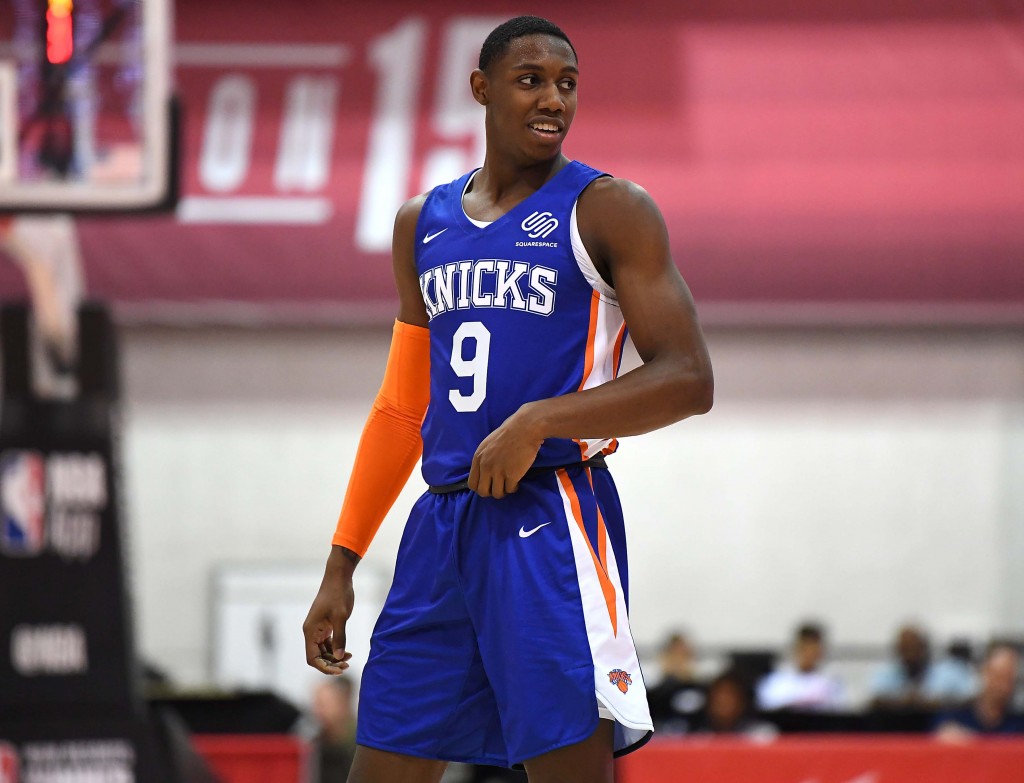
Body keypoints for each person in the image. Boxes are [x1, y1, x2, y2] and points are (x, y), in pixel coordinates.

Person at [301, 15, 713, 783]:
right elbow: (400, 408)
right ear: (482, 90)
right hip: (441, 526)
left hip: (549, 517)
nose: (552, 99)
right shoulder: (421, 224)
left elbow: (690, 377)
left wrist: (541, 419)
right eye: (530, 81)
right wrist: (341, 564)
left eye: (566, 84)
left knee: (566, 768)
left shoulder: (609, 208)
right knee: (383, 763)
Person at [868, 624, 977, 710]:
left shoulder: (950, 671)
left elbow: (971, 700)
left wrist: (936, 702)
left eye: (914, 647)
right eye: (904, 649)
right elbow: (874, 701)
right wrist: (903, 702)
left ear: (925, 647)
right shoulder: (886, 673)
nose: (909, 654)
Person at [934, 642, 1024, 740]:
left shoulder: (1018, 724)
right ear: (984, 673)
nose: (1003, 686)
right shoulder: (955, 716)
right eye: (999, 677)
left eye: (1010, 679)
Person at [756, 622, 845, 711]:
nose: (809, 653)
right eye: (805, 647)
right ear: (797, 648)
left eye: (814, 648)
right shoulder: (776, 682)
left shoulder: (831, 684)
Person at [646, 632, 707, 734]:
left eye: (683, 656)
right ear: (663, 658)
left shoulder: (704, 692)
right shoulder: (652, 695)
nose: (678, 661)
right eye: (673, 655)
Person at [691, 669, 777, 741]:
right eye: (718, 697)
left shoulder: (762, 735)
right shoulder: (697, 738)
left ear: (743, 701)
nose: (723, 702)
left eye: (730, 696)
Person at [308, 677, 358, 782]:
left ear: (342, 703)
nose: (317, 711)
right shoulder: (316, 742)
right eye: (316, 704)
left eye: (323, 704)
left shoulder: (358, 741)